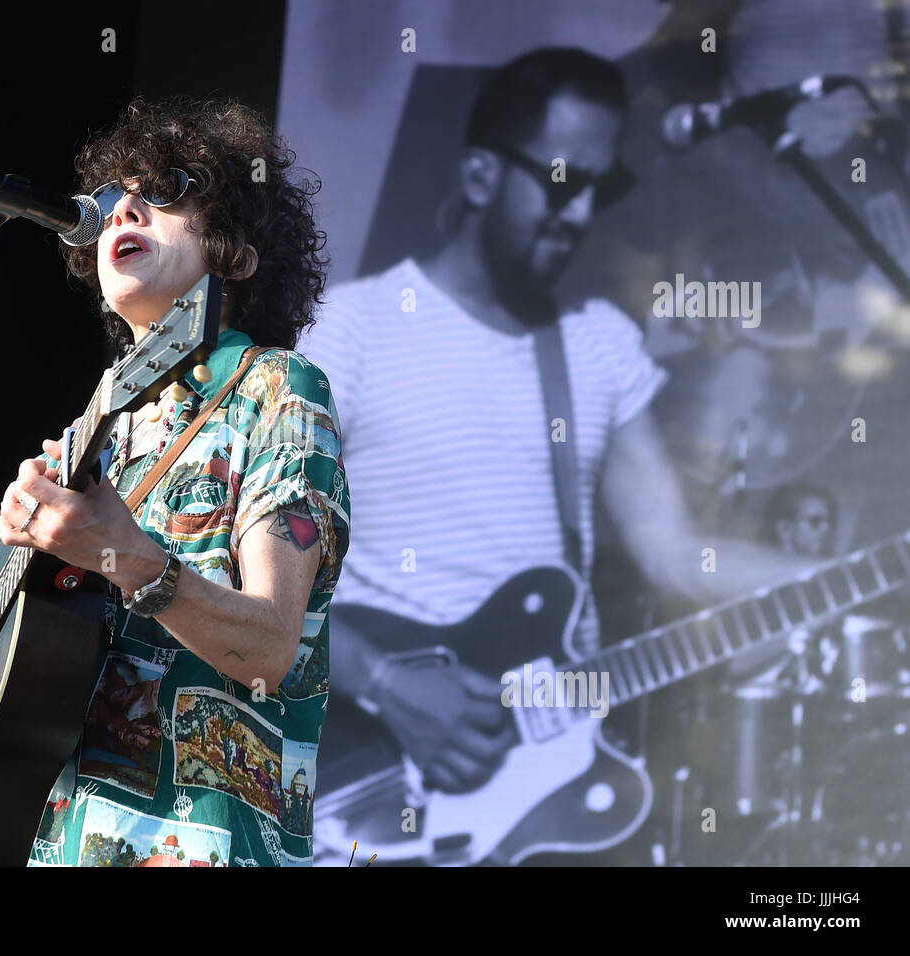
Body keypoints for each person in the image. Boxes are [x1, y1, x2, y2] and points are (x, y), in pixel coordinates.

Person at [300, 48, 816, 840]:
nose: (580, 216)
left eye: (599, 191)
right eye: (563, 183)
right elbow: (243, 567)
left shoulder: (598, 344)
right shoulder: (350, 329)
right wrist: (391, 687)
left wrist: (838, 580)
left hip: (544, 777)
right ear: (478, 175)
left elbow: (676, 555)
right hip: (364, 779)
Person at [0, 96, 350, 867]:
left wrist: (124, 556)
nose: (125, 206)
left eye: (166, 192)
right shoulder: (90, 442)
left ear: (238, 253)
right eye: (114, 196)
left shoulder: (278, 389)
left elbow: (268, 644)